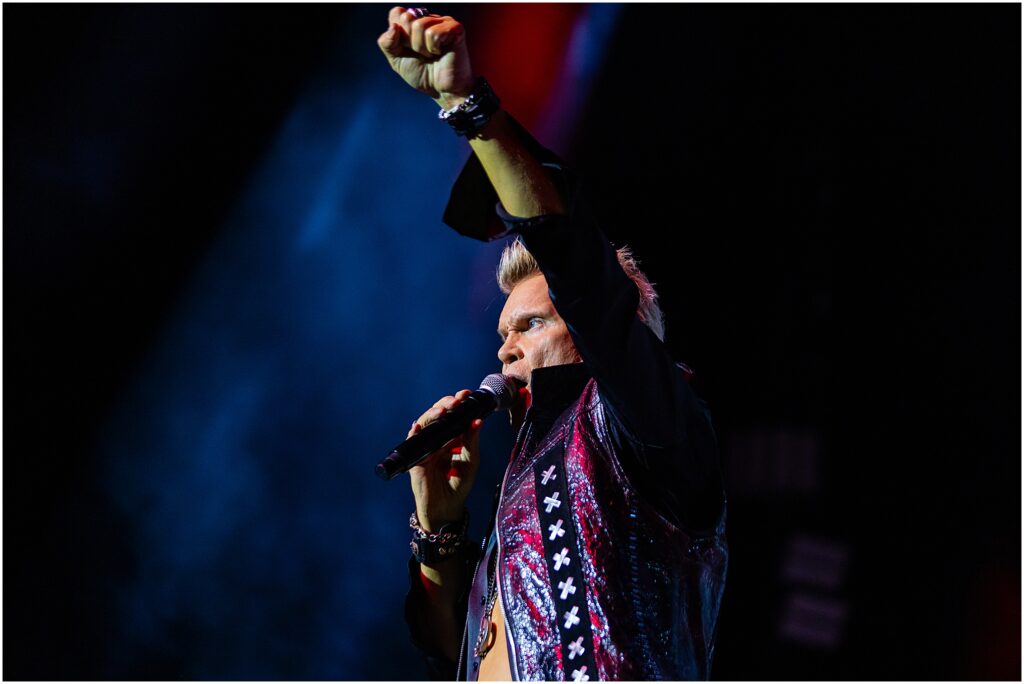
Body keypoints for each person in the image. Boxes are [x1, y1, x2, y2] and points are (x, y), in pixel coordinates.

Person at [378, 7, 728, 681]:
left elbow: (580, 271)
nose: (504, 350)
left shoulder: (646, 428)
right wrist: (438, 527)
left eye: (531, 325)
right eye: (502, 333)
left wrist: (464, 102)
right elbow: (450, 651)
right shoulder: (517, 499)